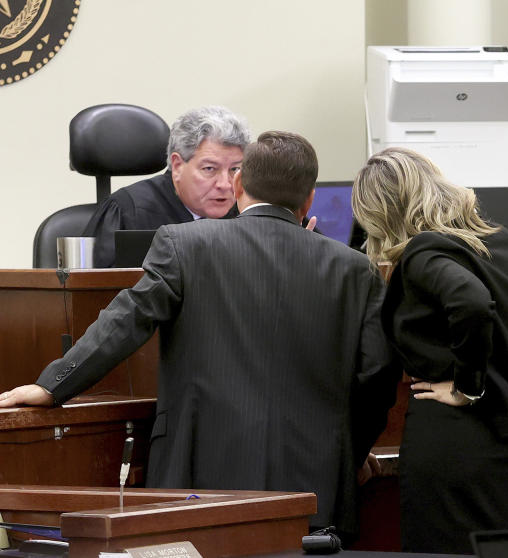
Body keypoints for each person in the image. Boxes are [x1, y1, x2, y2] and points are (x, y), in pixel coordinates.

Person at [0, 131, 398, 535]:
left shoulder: (184, 244)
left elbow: (127, 319)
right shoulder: (355, 269)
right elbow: (378, 374)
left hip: (201, 477)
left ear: (239, 184)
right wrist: (351, 450)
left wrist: (53, 385)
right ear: (309, 199)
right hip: (317, 481)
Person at [351, 147, 508, 554]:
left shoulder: (421, 254)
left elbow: (471, 303)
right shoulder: (500, 243)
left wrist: (466, 386)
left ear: (381, 212)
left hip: (459, 452)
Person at [83, 105, 250, 268]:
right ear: (177, 166)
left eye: (235, 169)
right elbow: (96, 292)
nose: (225, 184)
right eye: (209, 169)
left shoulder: (249, 215)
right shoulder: (129, 213)